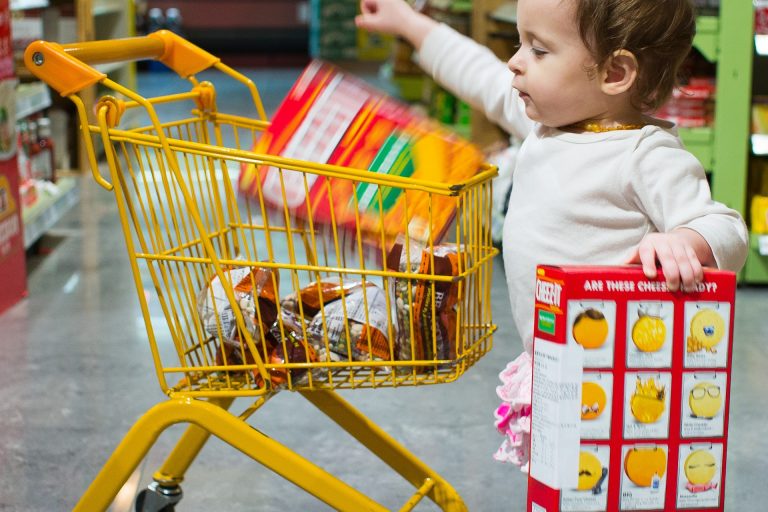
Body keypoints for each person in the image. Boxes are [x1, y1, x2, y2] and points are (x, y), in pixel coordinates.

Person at [356, 0, 749, 471]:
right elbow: (478, 72)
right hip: (556, 370)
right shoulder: (544, 124)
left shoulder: (646, 155)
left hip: (625, 386)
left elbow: (725, 226)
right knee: (559, 484)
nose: (515, 61)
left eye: (538, 50)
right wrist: (408, 23)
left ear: (614, 72)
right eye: (521, 43)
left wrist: (686, 240)